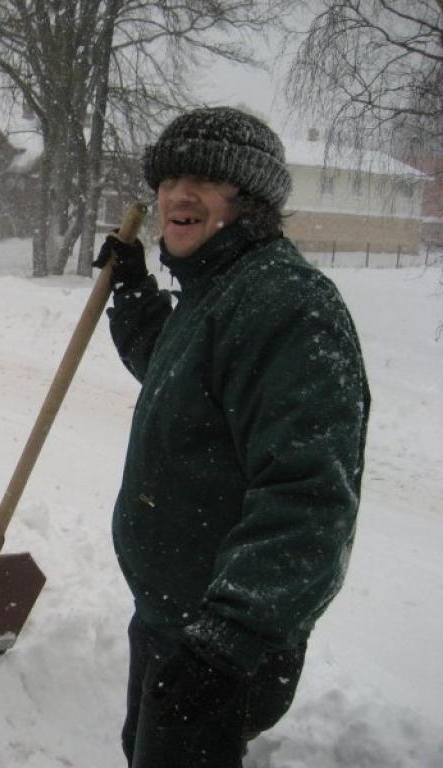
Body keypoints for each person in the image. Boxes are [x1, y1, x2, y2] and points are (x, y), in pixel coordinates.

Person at [94, 107, 370, 767]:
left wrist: (224, 642)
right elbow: (180, 375)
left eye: (206, 180)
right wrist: (133, 290)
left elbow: (307, 498)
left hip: (222, 640)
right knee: (144, 747)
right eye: (169, 179)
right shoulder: (219, 290)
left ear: (251, 201)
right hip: (175, 617)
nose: (178, 195)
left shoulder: (288, 308)